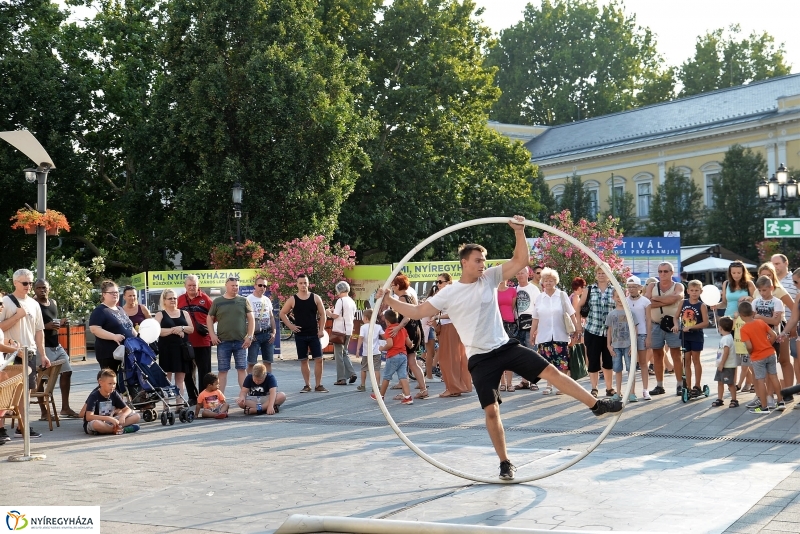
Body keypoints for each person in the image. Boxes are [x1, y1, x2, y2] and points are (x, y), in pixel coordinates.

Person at [376, 215, 623, 480]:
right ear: (464, 262)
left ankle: (596, 405)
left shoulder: (489, 278)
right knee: (492, 411)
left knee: (551, 372)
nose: (482, 264)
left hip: (505, 346)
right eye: (478, 260)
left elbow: (520, 261)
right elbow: (417, 311)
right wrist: (389, 300)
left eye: (484, 260)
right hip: (480, 358)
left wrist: (519, 231)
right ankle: (505, 463)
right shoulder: (449, 292)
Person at [0, 268, 50, 440]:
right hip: (9, 354)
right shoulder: (6, 302)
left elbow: (39, 331)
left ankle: (23, 426)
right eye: (25, 283)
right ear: (15, 283)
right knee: (5, 392)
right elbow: (0, 327)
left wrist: (43, 354)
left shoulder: (34, 304)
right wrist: (17, 316)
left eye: (30, 282)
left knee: (26, 392)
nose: (28, 286)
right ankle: (1, 428)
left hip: (29, 353)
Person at [33, 279, 79, 417]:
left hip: (56, 346)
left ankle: (65, 408)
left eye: (44, 287)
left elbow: (53, 321)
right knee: (41, 379)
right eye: (39, 288)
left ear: (49, 288)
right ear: (34, 289)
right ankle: (44, 412)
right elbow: (29, 326)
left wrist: (61, 323)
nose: (42, 290)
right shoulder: (33, 304)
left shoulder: (53, 302)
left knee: (67, 371)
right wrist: (45, 326)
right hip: (42, 347)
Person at [530, 268, 578, 395]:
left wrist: (577, 329)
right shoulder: (539, 298)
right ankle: (549, 385)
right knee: (547, 363)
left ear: (555, 282)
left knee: (562, 363)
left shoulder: (562, 295)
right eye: (546, 280)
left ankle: (562, 386)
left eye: (551, 280)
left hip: (560, 334)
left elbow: (571, 313)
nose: (548, 283)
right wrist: (532, 334)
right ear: (542, 282)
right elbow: (535, 318)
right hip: (544, 335)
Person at [280, 274, 328, 393]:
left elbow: (323, 314)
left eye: (305, 283)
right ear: (297, 284)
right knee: (303, 360)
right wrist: (291, 326)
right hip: (300, 335)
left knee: (319, 359)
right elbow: (282, 313)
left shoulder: (315, 298)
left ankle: (318, 385)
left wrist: (321, 329)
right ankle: (307, 385)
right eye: (300, 283)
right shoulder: (293, 299)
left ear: (308, 283)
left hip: (314, 334)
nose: (303, 285)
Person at [207, 277, 255, 395]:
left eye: (237, 285)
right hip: (223, 342)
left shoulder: (243, 301)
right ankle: (220, 399)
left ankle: (245, 397)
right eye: (232, 285)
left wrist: (249, 336)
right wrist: (212, 335)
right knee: (222, 371)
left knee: (242, 369)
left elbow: (251, 319)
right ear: (226, 286)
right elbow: (209, 318)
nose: (235, 287)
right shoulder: (218, 301)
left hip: (241, 342)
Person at [645, 262, 685, 396]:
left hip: (673, 324)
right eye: (660, 271)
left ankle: (680, 385)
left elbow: (676, 298)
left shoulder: (678, 286)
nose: (662, 274)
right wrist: (668, 300)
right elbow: (647, 303)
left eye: (666, 271)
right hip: (655, 324)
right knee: (657, 355)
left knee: (676, 354)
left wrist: (656, 299)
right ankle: (659, 385)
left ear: (672, 272)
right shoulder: (652, 285)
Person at [386, 274, 427, 399]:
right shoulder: (410, 296)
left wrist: (397, 328)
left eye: (393, 285)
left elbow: (406, 317)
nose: (393, 288)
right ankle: (422, 389)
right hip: (415, 330)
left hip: (409, 332)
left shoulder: (402, 298)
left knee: (407, 362)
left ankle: (407, 393)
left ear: (398, 285)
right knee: (412, 362)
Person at [576, 266, 615, 397]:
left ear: (609, 274)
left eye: (604, 273)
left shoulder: (615, 290)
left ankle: (609, 388)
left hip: (610, 332)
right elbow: (579, 306)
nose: (601, 275)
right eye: (599, 273)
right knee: (593, 360)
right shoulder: (589, 289)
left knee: (608, 361)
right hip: (592, 329)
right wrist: (578, 325)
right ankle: (594, 388)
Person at [757, 262, 794, 396]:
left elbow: (794, 308)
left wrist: (792, 326)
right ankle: (770, 394)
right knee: (767, 363)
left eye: (769, 275)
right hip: (761, 330)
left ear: (773, 276)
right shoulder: (757, 291)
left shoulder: (779, 290)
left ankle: (789, 391)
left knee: (784, 360)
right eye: (763, 275)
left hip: (779, 328)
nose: (766, 277)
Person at [739, 301, 782, 413]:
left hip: (758, 357)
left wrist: (751, 352)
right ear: (752, 312)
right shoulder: (760, 322)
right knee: (774, 377)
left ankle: (764, 407)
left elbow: (749, 346)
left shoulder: (743, 329)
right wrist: (768, 345)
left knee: (760, 381)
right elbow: (773, 335)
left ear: (741, 315)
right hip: (770, 353)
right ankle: (780, 402)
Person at [434, 274, 472, 398]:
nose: (438, 284)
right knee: (453, 358)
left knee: (449, 359)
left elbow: (454, 313)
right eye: (437, 282)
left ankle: (453, 388)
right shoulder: (449, 294)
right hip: (450, 327)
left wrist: (437, 316)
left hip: (451, 327)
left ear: (448, 282)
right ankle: (456, 386)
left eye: (440, 281)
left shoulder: (450, 294)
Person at [178, 274, 213, 405]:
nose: (192, 287)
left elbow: (214, 315)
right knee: (188, 372)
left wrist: (206, 326)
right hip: (186, 342)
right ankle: (193, 397)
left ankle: (204, 397)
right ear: (185, 286)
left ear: (198, 285)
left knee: (205, 371)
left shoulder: (205, 298)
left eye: (194, 285)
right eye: (189, 285)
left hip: (203, 341)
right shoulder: (180, 299)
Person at [89, 280, 136, 374]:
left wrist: (139, 338)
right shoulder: (100, 311)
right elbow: (94, 329)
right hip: (109, 355)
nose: (115, 294)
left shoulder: (120, 309)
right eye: (112, 293)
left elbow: (129, 327)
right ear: (104, 294)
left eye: (117, 292)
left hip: (126, 353)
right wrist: (113, 336)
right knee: (111, 381)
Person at [673, 280, 710, 398]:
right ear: (688, 291)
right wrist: (676, 325)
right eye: (692, 290)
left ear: (701, 291)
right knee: (686, 361)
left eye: (696, 290)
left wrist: (691, 327)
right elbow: (675, 317)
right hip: (685, 336)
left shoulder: (701, 305)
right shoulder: (683, 302)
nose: (694, 293)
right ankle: (688, 386)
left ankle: (697, 385)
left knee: (696, 360)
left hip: (696, 336)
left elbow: (706, 322)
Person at [154, 289, 195, 396]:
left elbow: (191, 329)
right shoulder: (160, 314)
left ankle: (179, 402)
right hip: (166, 350)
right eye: (170, 298)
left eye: (174, 298)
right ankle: (166, 403)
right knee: (166, 378)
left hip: (182, 350)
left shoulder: (184, 313)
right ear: (164, 300)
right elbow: (157, 331)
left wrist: (181, 328)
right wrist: (174, 330)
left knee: (180, 379)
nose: (173, 300)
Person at [369, 309, 413, 405]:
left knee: (387, 377)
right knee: (403, 376)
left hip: (393, 355)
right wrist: (411, 345)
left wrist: (382, 348)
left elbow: (390, 344)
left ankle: (380, 396)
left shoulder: (389, 330)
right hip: (403, 355)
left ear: (387, 321)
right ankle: (408, 397)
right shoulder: (402, 329)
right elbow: (409, 343)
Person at [83, 368, 141, 435]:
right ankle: (120, 429)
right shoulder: (94, 396)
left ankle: (114, 429)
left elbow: (127, 409)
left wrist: (123, 416)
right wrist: (108, 418)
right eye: (110, 384)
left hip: (110, 421)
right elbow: (89, 417)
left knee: (137, 416)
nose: (113, 386)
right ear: (100, 382)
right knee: (96, 424)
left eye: (114, 383)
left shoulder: (114, 393)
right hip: (96, 421)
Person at [605, 287, 636, 402]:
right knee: (617, 370)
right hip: (616, 346)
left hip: (628, 345)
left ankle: (632, 393)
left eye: (621, 296)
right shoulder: (611, 314)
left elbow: (634, 329)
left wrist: (633, 345)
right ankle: (618, 392)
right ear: (613, 298)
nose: (619, 299)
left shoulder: (630, 313)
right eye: (617, 296)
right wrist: (609, 345)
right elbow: (609, 330)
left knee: (630, 369)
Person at [625, 276, 652, 400]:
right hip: (628, 335)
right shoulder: (625, 301)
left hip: (642, 334)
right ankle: (632, 391)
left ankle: (645, 390)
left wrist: (648, 337)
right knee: (631, 364)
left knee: (643, 363)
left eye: (634, 287)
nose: (631, 289)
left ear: (639, 287)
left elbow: (648, 320)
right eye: (629, 287)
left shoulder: (645, 301)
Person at [327, 281, 357, 386]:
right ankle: (352, 373)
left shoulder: (340, 301)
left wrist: (328, 313)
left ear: (339, 290)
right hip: (349, 330)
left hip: (339, 331)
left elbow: (335, 316)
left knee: (339, 355)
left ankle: (341, 378)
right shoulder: (351, 301)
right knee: (345, 352)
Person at [246, 276, 276, 375]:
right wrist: (249, 334)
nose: (262, 287)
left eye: (264, 286)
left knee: (268, 362)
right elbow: (244, 318)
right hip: (254, 336)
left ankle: (268, 383)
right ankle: (249, 383)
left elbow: (271, 317)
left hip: (267, 335)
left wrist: (274, 332)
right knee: (251, 363)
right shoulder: (248, 299)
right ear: (255, 286)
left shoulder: (267, 300)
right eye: (260, 285)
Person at [355, 309, 384, 392]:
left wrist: (358, 349)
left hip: (366, 352)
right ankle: (377, 386)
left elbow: (361, 338)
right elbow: (384, 335)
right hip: (376, 352)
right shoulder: (378, 326)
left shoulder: (363, 327)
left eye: (363, 317)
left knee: (364, 369)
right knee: (376, 369)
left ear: (366, 318)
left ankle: (363, 385)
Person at [497, 279, 517, 392]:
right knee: (499, 353)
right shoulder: (493, 291)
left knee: (510, 352)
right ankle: (502, 382)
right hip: (497, 323)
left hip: (510, 323)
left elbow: (512, 307)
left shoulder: (512, 290)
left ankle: (510, 383)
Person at [712, 316, 738, 407]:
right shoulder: (727, 337)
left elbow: (726, 352)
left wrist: (722, 364)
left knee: (730, 383)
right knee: (720, 382)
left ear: (721, 328)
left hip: (727, 366)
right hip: (722, 365)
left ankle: (734, 400)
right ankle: (720, 398)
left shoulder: (726, 339)